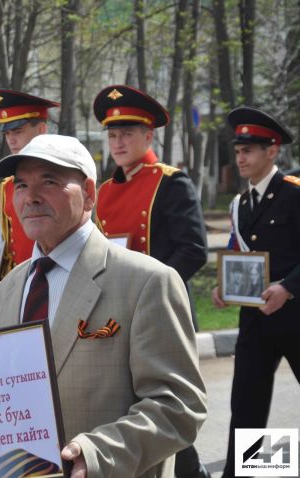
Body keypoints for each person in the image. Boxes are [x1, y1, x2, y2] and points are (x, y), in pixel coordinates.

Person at [0, 134, 206, 477]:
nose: (31, 197)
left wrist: (98, 452)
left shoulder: (146, 281)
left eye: (49, 182)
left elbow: (179, 406)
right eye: (21, 185)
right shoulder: (8, 289)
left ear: (89, 194)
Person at [92, 85, 209, 478]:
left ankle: (246, 469)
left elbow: (193, 250)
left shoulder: (173, 182)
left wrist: (149, 292)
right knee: (133, 412)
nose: (119, 142)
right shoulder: (104, 191)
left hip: (161, 313)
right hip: (116, 315)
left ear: (149, 135)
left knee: (171, 408)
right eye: (112, 134)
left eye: (127, 133)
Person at [211, 106, 300, 478]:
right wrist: (223, 286)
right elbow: (239, 254)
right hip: (254, 322)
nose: (241, 157)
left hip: (296, 317)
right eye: (237, 150)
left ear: (273, 151)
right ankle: (252, 473)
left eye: (249, 150)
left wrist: (288, 287)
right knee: (247, 405)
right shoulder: (239, 203)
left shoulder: (295, 193)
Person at [0, 89, 60, 283]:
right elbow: (10, 249)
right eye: (7, 133)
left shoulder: (63, 178)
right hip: (24, 283)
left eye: (18, 131)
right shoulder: (8, 186)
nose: (11, 139)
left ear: (42, 130)